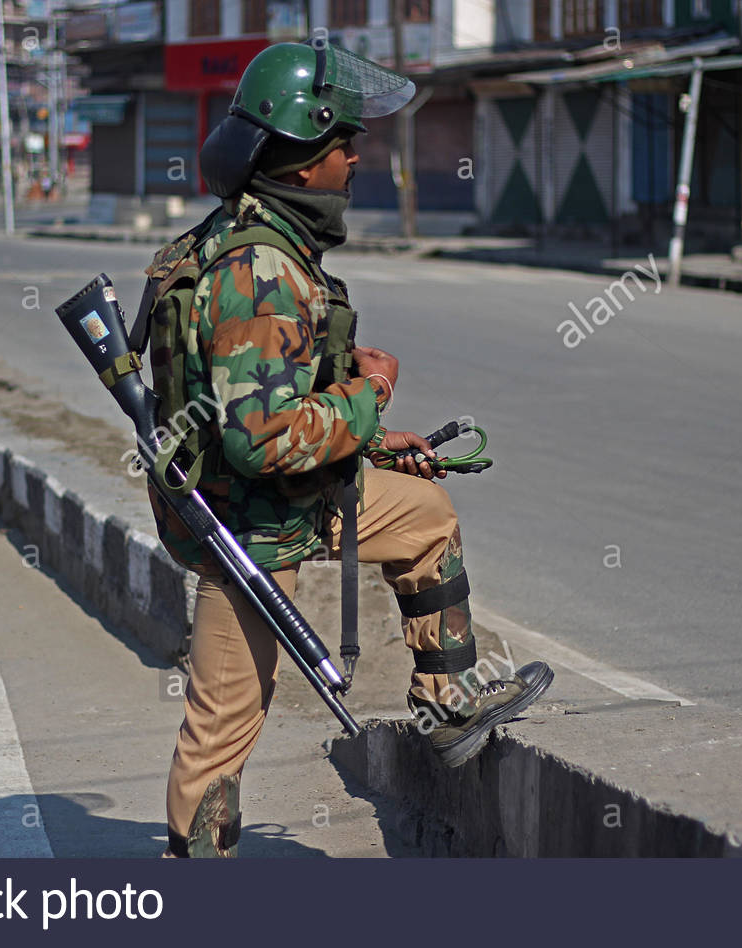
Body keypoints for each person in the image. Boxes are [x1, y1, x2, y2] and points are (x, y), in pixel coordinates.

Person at [146, 36, 554, 858]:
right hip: (247, 528)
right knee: (225, 721)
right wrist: (369, 395)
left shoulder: (266, 238)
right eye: (343, 144)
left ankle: (445, 700)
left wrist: (366, 439)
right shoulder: (259, 270)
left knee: (427, 521)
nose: (357, 158)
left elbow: (279, 404)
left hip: (296, 498)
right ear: (299, 163)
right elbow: (260, 440)